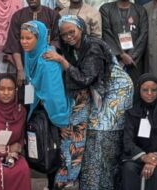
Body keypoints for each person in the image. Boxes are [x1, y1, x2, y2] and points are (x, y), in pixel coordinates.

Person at [45, 15, 134, 190]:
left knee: (101, 133)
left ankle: (105, 185)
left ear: (81, 29)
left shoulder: (93, 46)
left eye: (72, 32)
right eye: (64, 34)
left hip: (116, 90)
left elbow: (85, 78)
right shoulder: (73, 48)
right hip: (98, 90)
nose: (68, 37)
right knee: (90, 133)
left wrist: (62, 61)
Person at [120, 74, 157, 190]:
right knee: (129, 168)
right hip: (138, 156)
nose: (149, 94)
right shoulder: (132, 112)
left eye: (153, 90)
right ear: (139, 90)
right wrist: (143, 157)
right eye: (145, 90)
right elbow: (128, 140)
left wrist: (154, 159)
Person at [5, 0, 61, 86]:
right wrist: (20, 70)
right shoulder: (18, 16)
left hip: (47, 65)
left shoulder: (52, 15)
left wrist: (46, 59)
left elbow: (57, 40)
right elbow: (14, 45)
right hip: (25, 66)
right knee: (27, 94)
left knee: (46, 93)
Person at [21, 21, 70, 128]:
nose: (24, 42)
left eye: (28, 38)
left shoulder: (47, 61)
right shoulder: (30, 53)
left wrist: (61, 122)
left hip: (54, 114)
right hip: (39, 107)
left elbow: (55, 96)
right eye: (22, 38)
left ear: (39, 39)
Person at [101, 0, 149, 79]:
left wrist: (131, 57)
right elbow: (106, 33)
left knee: (135, 86)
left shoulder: (140, 10)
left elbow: (143, 35)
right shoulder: (106, 9)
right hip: (113, 60)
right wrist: (121, 54)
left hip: (135, 61)